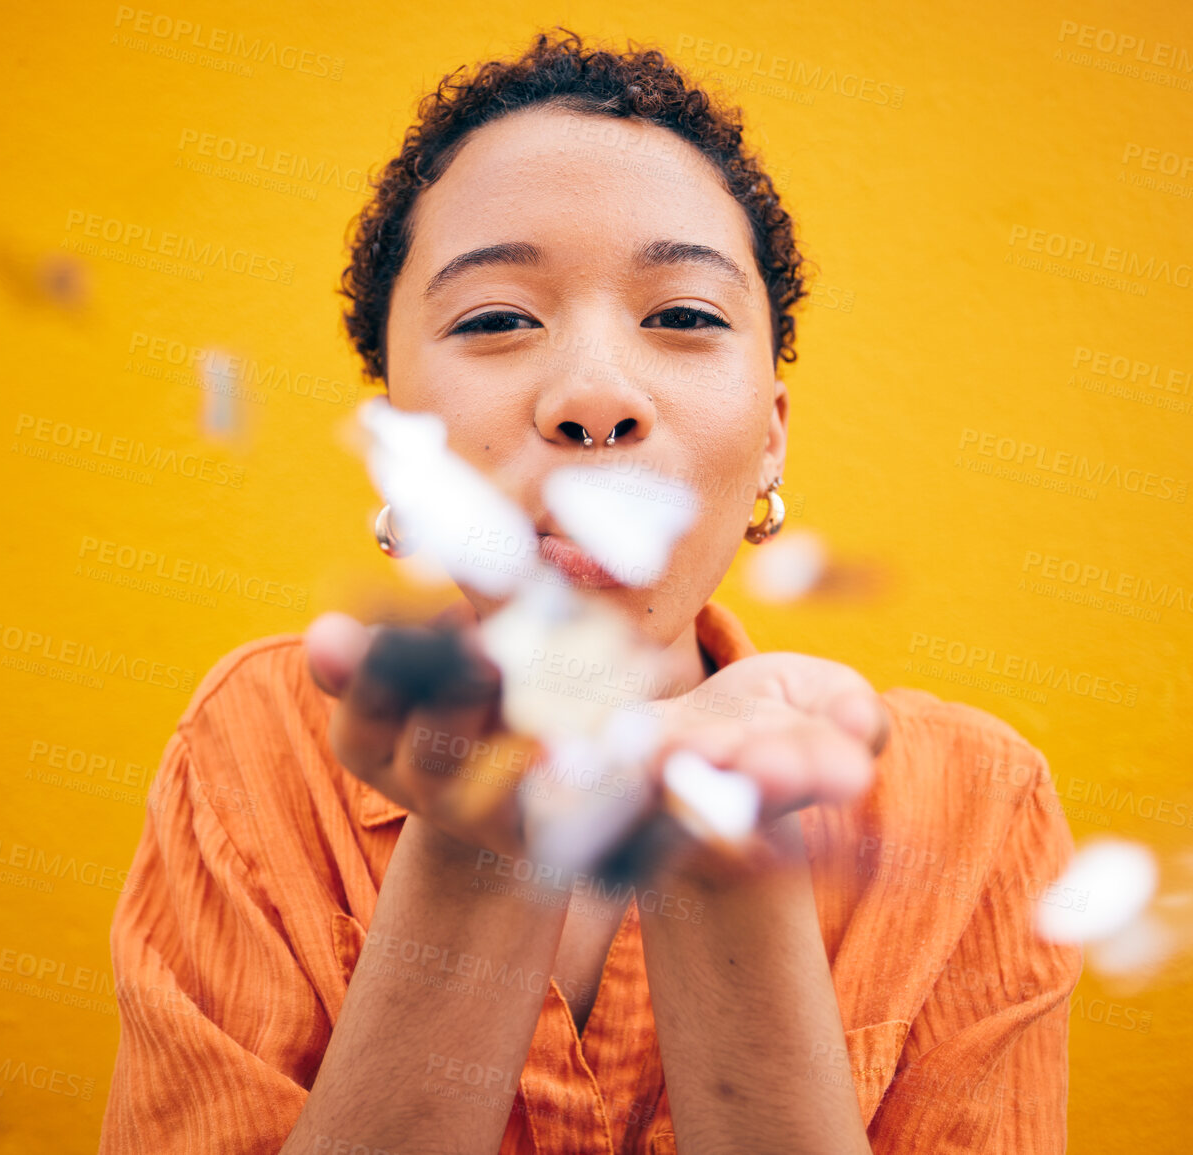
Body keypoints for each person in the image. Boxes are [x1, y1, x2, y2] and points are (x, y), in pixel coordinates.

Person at [100, 30, 1081, 1155]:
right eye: (496, 320)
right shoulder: (255, 748)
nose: (593, 398)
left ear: (771, 436)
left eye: (684, 317)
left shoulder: (978, 808)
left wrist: (720, 856)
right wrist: (480, 847)